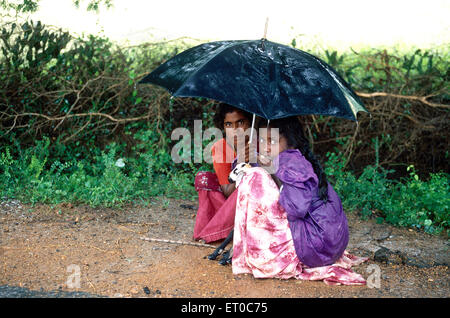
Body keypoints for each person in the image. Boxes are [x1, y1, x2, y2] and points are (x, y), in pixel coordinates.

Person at [232, 117, 368, 285]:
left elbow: (296, 209)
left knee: (255, 176)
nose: (266, 147)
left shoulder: (290, 161)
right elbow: (250, 166)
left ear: (290, 140)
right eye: (261, 140)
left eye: (272, 141)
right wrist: (243, 159)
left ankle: (263, 255)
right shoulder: (287, 157)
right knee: (255, 171)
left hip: (316, 246)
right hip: (331, 245)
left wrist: (268, 172)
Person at [193, 103, 253, 243]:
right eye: (228, 124)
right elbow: (226, 191)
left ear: (250, 123)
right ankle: (224, 226)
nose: (235, 130)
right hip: (229, 201)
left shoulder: (260, 143)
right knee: (204, 178)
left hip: (256, 204)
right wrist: (240, 163)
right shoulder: (220, 147)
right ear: (223, 127)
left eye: (240, 122)